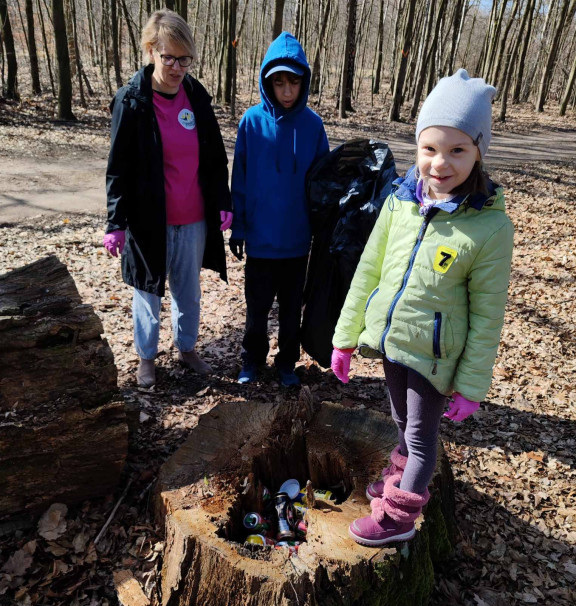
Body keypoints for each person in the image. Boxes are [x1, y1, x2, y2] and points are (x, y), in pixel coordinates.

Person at [331, 69, 514, 547]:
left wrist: (472, 385)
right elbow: (368, 270)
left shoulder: (489, 228)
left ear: (478, 151)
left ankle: (399, 517)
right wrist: (345, 336)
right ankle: (399, 478)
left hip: (435, 358)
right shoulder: (400, 203)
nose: (440, 163)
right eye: (429, 148)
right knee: (401, 423)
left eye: (457, 150)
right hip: (393, 343)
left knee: (420, 439)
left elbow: (487, 316)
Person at [103, 9, 233, 388]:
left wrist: (222, 200)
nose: (177, 67)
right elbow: (117, 167)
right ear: (150, 52)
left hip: (193, 217)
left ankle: (187, 347)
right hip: (147, 222)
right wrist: (116, 222)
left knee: (188, 291)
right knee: (147, 294)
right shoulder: (131, 101)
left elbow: (214, 158)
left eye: (184, 59)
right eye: (168, 58)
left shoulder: (197, 98)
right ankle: (146, 358)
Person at [229, 32, 329, 387]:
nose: (287, 91)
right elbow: (239, 178)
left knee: (290, 313)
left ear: (304, 82)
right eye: (279, 83)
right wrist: (238, 228)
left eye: (294, 82)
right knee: (256, 311)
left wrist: (323, 228)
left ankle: (286, 363)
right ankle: (251, 361)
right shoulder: (251, 122)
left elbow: (323, 184)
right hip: (260, 239)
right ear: (267, 82)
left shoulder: (314, 126)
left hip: (297, 241)